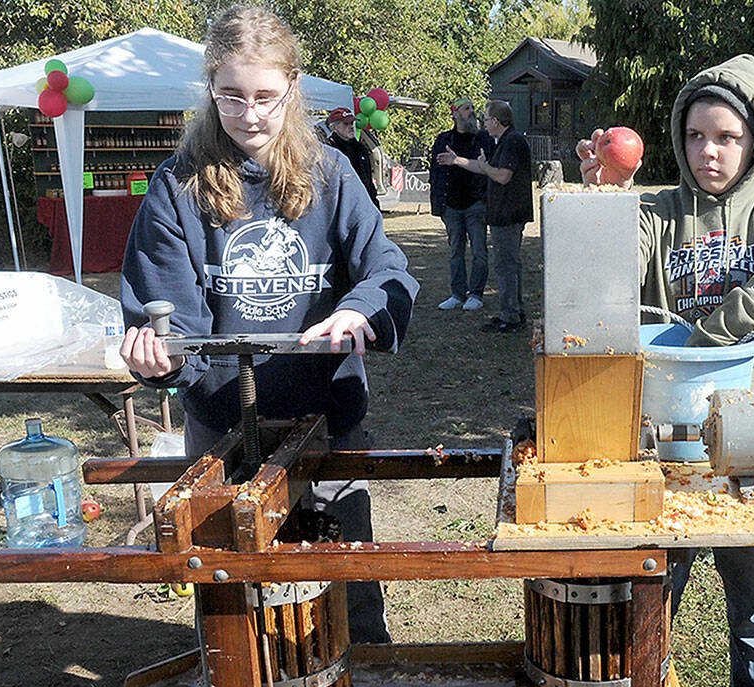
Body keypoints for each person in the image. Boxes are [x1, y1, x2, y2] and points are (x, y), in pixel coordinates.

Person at [118, 4, 419, 643]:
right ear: (209, 90)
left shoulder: (332, 174)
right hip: (223, 429)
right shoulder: (178, 186)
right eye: (231, 97)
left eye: (264, 97)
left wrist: (358, 308)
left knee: (347, 589)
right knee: (231, 604)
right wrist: (163, 360)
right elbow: (166, 313)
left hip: (327, 421)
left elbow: (389, 269)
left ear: (292, 90)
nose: (249, 115)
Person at [579, 54, 754, 687]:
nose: (708, 151)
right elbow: (599, 285)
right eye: (694, 136)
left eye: (726, 137)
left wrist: (697, 337)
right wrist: (604, 198)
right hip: (666, 440)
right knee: (652, 593)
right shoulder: (656, 214)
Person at [440, 99, 532, 333]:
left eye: (487, 118)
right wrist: (457, 160)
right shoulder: (503, 141)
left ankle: (510, 317)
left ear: (496, 121)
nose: (484, 122)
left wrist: (485, 166)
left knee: (506, 266)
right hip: (503, 213)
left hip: (508, 214)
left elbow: (501, 176)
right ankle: (514, 311)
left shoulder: (512, 141)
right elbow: (485, 167)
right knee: (510, 265)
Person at [430, 98, 493, 312]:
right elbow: (435, 174)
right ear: (455, 114)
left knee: (479, 251)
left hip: (476, 203)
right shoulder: (443, 139)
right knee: (455, 251)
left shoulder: (483, 138)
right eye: (467, 109)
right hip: (451, 206)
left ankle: (476, 294)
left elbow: (490, 169)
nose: (472, 112)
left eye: (473, 109)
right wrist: (439, 205)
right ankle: (457, 294)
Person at [324, 106, 380, 207]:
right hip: (342, 206)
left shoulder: (361, 149)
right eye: (346, 123)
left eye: (352, 123)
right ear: (334, 127)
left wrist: (374, 204)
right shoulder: (329, 150)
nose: (351, 127)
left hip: (364, 203)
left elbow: (368, 180)